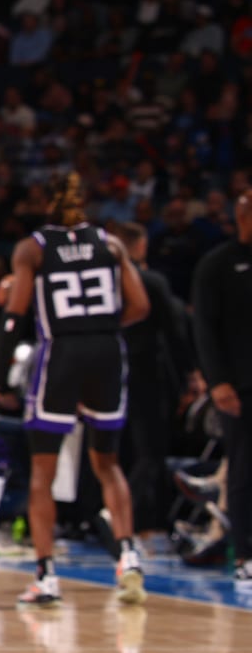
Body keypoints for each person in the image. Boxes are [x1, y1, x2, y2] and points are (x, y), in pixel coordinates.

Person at [0, 174, 150, 606]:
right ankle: (128, 556)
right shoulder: (111, 244)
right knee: (107, 463)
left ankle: (46, 576)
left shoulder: (33, 248)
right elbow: (141, 306)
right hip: (107, 351)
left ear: (44, 204)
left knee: (43, 471)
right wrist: (99, 327)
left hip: (62, 355)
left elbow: (14, 317)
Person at [111, 220, 200, 539]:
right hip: (146, 374)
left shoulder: (101, 283)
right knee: (150, 451)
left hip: (107, 375)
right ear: (140, 246)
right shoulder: (149, 281)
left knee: (114, 453)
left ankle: (114, 517)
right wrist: (190, 374)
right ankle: (127, 518)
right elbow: (175, 332)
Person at [191, 190, 252, 589]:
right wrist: (217, 382)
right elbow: (204, 329)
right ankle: (245, 553)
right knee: (244, 471)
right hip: (240, 386)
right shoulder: (217, 264)